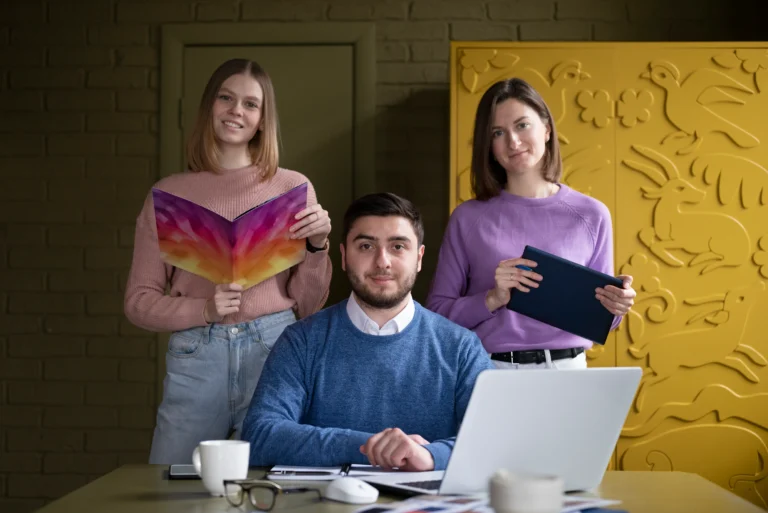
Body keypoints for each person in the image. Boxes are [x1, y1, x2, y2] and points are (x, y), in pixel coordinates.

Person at [124, 59, 332, 464]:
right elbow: (138, 300)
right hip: (196, 354)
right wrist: (202, 309)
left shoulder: (292, 188)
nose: (237, 110)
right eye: (226, 98)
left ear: (261, 120)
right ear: (209, 106)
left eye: (251, 104)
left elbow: (308, 305)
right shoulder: (168, 195)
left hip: (274, 349)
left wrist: (318, 246)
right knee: (173, 486)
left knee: (269, 483)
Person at [241, 193, 494, 471]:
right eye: (365, 246)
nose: (382, 261)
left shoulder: (461, 348)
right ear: (344, 256)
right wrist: (369, 446)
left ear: (419, 258)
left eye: (398, 246)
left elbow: (496, 437)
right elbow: (261, 436)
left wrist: (431, 456)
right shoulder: (302, 340)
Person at [427, 78, 636, 370]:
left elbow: (602, 320)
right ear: (488, 145)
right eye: (498, 133)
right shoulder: (467, 218)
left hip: (569, 372)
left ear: (547, 129)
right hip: (492, 370)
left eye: (522, 125)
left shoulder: (593, 215)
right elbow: (437, 316)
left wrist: (617, 307)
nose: (513, 142)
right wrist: (492, 298)